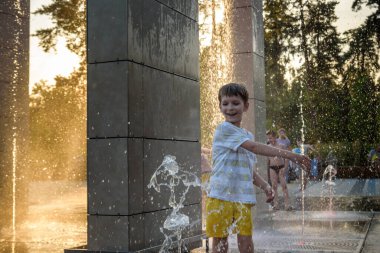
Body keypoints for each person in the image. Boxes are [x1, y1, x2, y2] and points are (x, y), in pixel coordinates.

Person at [206, 83, 311, 253]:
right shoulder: (223, 129)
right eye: (225, 104)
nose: (230, 108)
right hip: (220, 195)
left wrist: (264, 185)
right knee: (220, 243)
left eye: (235, 103)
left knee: (246, 242)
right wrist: (291, 155)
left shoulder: (247, 135)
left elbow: (248, 170)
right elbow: (255, 148)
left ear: (246, 106)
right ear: (219, 107)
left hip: (242, 198)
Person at [266, 130, 292, 211]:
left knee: (284, 186)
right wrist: (267, 171)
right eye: (268, 138)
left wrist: (285, 168)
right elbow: (267, 160)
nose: (269, 140)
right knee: (274, 186)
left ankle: (287, 204)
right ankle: (276, 204)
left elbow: (287, 157)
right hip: (272, 168)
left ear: (275, 137)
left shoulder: (281, 146)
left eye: (270, 138)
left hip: (281, 167)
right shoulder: (268, 146)